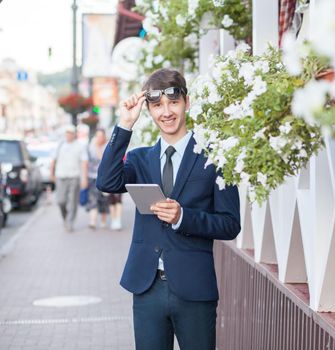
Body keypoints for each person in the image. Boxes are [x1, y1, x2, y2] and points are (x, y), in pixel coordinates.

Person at [96, 68, 241, 350]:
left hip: (195, 289)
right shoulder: (140, 160)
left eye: (173, 102)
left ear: (187, 102)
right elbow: (106, 181)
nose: (166, 112)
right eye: (157, 105)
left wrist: (183, 217)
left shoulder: (215, 156)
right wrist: (125, 125)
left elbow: (230, 223)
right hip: (146, 287)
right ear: (148, 110)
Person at [50, 125, 88, 232]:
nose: (68, 135)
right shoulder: (60, 145)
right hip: (61, 176)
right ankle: (65, 217)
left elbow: (84, 162)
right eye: (66, 133)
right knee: (60, 201)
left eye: (70, 133)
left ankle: (70, 222)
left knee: (72, 202)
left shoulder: (80, 146)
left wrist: (84, 178)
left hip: (74, 177)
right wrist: (51, 173)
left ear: (74, 134)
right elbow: (53, 160)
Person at [86, 128, 109, 229]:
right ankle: (92, 221)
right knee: (93, 199)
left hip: (104, 177)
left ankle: (103, 221)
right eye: (97, 136)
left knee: (103, 200)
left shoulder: (107, 147)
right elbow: (86, 161)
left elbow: (104, 160)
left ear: (104, 137)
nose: (99, 138)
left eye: (101, 136)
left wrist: (98, 148)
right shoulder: (90, 147)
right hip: (92, 176)